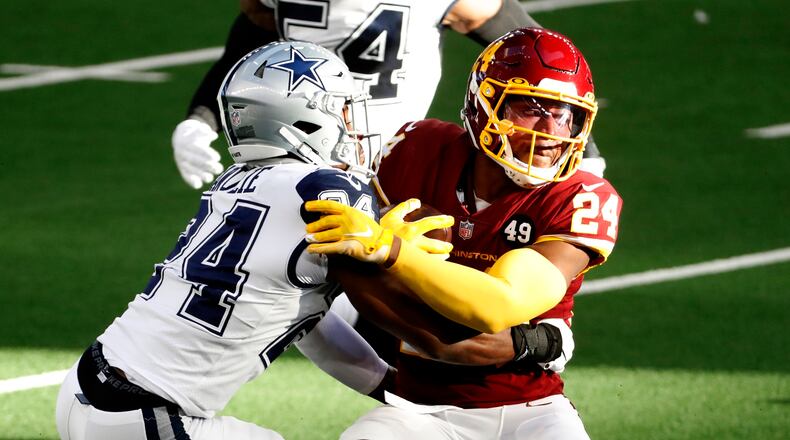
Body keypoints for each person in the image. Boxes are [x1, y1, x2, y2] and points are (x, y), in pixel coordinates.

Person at [55, 41, 397, 440]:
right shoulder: (326, 190)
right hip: (145, 414)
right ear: (302, 121)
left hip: (91, 389)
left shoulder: (237, 184)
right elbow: (398, 293)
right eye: (340, 108)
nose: (350, 124)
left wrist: (388, 386)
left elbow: (305, 322)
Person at [304, 28, 622, 439]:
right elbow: (358, 279)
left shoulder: (581, 195)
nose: (552, 131)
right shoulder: (415, 149)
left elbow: (498, 306)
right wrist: (535, 342)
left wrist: (393, 253)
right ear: (483, 103)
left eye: (565, 115)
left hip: (532, 410)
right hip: (419, 412)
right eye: (531, 108)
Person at [171, 0, 605, 190]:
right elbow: (254, 35)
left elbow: (538, 56)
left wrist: (584, 150)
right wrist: (199, 118)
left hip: (396, 168)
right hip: (301, 159)